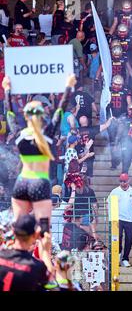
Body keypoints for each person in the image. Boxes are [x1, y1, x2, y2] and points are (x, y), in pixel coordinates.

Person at [2, 74, 76, 226]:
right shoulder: (47, 135)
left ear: (26, 116)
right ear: (42, 116)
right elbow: (60, 110)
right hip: (39, 183)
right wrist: (68, 87)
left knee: (19, 230)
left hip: (22, 183)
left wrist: (7, 90)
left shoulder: (19, 134)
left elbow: (10, 113)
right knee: (43, 232)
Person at [0, 214, 53, 291]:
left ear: (13, 232)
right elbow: (53, 286)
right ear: (35, 235)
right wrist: (45, 251)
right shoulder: (37, 267)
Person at [107, 173, 132, 268]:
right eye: (121, 181)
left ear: (128, 181)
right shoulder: (115, 191)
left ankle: (125, 258)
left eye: (125, 181)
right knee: (117, 237)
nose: (123, 183)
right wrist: (111, 218)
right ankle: (117, 255)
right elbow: (108, 204)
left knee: (129, 239)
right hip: (118, 219)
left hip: (130, 219)